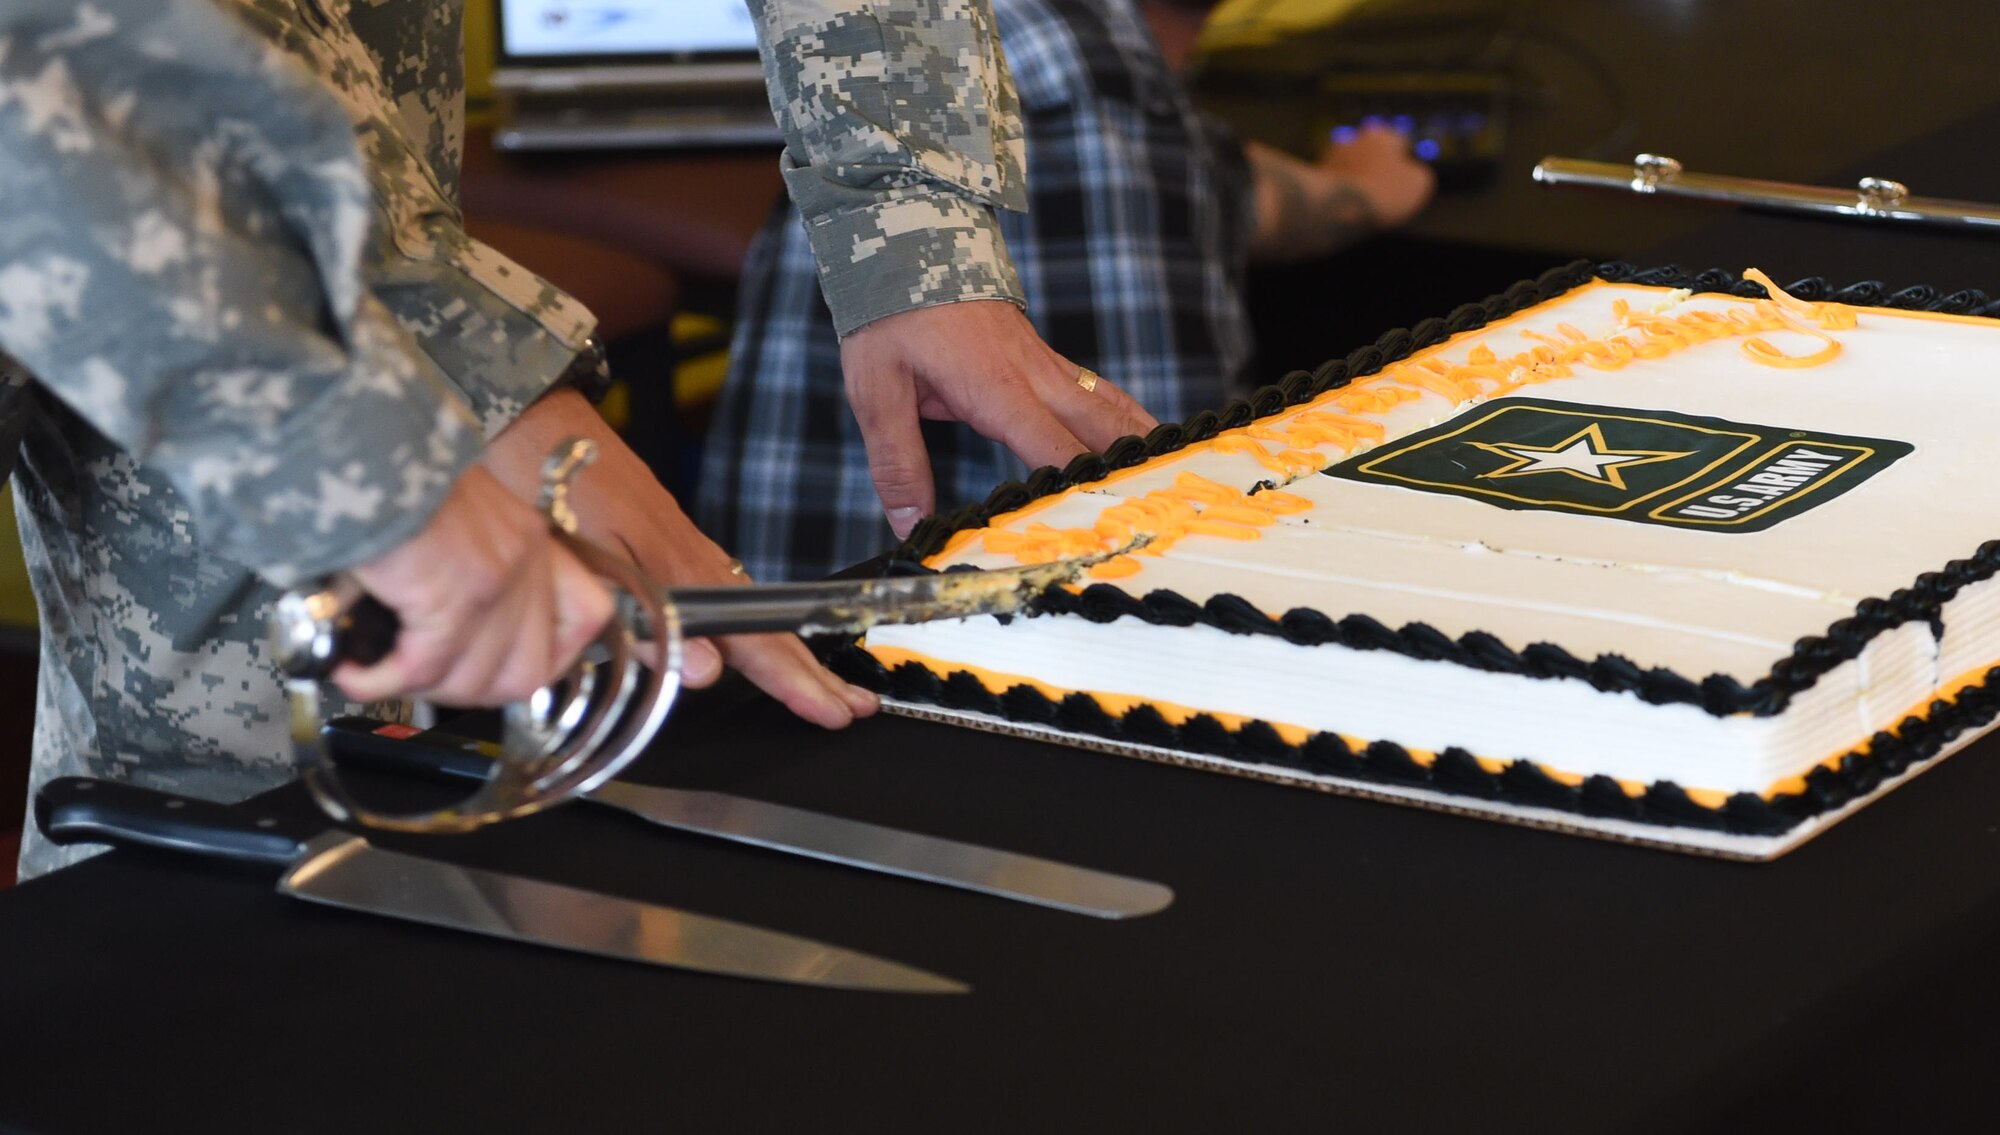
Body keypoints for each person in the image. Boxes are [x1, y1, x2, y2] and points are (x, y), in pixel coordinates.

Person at [703, 0, 1434, 583]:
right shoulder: (1084, 91)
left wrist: (1357, 192)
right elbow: (1158, 517)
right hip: (882, 677)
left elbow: (1211, 187)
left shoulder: (1039, 43)